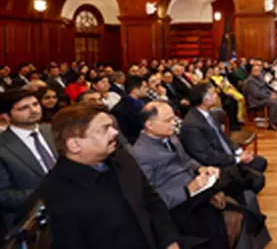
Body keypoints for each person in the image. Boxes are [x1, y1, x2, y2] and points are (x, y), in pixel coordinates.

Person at [37, 104, 185, 249]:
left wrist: (170, 241)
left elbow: (152, 201)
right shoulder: (54, 194)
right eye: (104, 129)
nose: (114, 132)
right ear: (75, 145)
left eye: (112, 126)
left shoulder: (122, 158)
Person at [134, 101, 243, 248]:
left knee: (231, 181)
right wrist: (187, 190)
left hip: (195, 190)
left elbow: (186, 160)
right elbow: (151, 199)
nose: (174, 123)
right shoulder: (141, 154)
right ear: (149, 125)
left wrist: (201, 169)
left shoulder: (171, 138)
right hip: (178, 206)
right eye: (168, 120)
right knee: (220, 220)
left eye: (174, 118)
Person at [180, 83, 267, 194]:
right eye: (212, 94)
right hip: (217, 165)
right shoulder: (192, 125)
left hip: (227, 155)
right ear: (203, 100)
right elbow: (206, 156)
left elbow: (223, 137)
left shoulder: (208, 114)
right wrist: (237, 159)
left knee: (260, 162)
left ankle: (242, 187)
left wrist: (239, 152)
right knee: (258, 179)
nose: (216, 96)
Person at [0, 89, 57, 228]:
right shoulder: (3, 147)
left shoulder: (52, 131)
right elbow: (3, 196)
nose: (34, 110)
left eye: (35, 104)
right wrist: (49, 192)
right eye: (24, 108)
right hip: (31, 222)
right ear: (6, 116)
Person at [243, 65, 277, 131]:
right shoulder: (250, 81)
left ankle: (276, 119)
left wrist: (272, 93)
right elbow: (257, 94)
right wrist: (269, 96)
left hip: (263, 97)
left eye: (258, 70)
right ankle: (271, 124)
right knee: (274, 102)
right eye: (255, 70)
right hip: (256, 101)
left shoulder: (260, 77)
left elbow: (265, 88)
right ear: (252, 71)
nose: (257, 72)